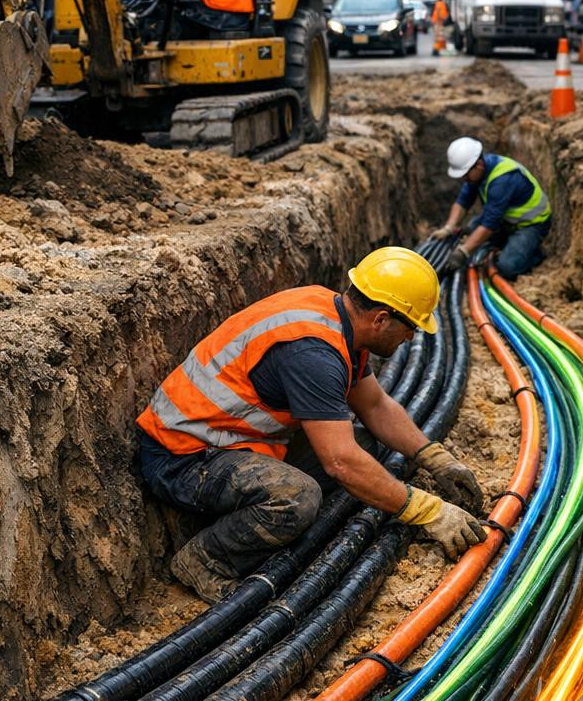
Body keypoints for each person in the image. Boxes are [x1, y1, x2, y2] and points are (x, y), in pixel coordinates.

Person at [136, 247, 487, 602]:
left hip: (231, 439)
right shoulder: (313, 355)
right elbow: (341, 462)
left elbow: (376, 405)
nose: (410, 338)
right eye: (410, 327)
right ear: (381, 319)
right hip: (185, 456)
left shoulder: (335, 318)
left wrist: (434, 457)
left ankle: (248, 516)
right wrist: (428, 512)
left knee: (366, 445)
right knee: (298, 497)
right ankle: (205, 558)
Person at [434, 137, 551, 280]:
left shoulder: (501, 181)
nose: (464, 179)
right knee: (471, 229)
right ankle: (504, 241)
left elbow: (489, 225)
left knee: (507, 267)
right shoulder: (478, 172)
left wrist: (463, 252)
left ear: (479, 165)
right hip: (506, 219)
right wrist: (448, 227)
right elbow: (462, 202)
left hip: (531, 224)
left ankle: (535, 254)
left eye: (465, 174)